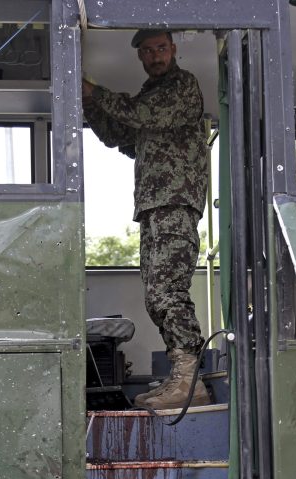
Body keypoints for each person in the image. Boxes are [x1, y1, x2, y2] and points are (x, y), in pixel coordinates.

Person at [82, 30, 210, 409]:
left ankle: (191, 380)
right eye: (148, 51)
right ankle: (182, 373)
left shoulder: (182, 87)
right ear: (140, 56)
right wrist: (88, 104)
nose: (155, 56)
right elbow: (118, 135)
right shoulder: (149, 94)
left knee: (168, 292)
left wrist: (96, 92)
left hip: (176, 203)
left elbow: (142, 116)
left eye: (161, 48)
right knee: (157, 296)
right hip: (153, 207)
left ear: (173, 50)